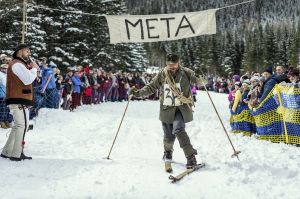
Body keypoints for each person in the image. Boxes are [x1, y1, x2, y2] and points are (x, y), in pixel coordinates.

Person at [129, 53, 200, 169]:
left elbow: (200, 82)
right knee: (168, 134)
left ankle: (190, 156)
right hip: (167, 108)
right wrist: (138, 93)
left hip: (181, 108)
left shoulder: (187, 72)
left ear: (179, 62)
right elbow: (151, 87)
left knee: (178, 129)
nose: (172, 66)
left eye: (174, 64)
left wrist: (200, 78)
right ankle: (168, 152)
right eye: (169, 64)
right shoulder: (162, 73)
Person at [0, 44, 39, 161]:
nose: (29, 54)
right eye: (27, 51)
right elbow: (27, 79)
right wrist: (34, 69)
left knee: (20, 125)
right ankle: (16, 153)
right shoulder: (17, 64)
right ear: (20, 51)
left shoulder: (19, 64)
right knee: (22, 125)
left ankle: (7, 151)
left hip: (19, 98)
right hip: (18, 98)